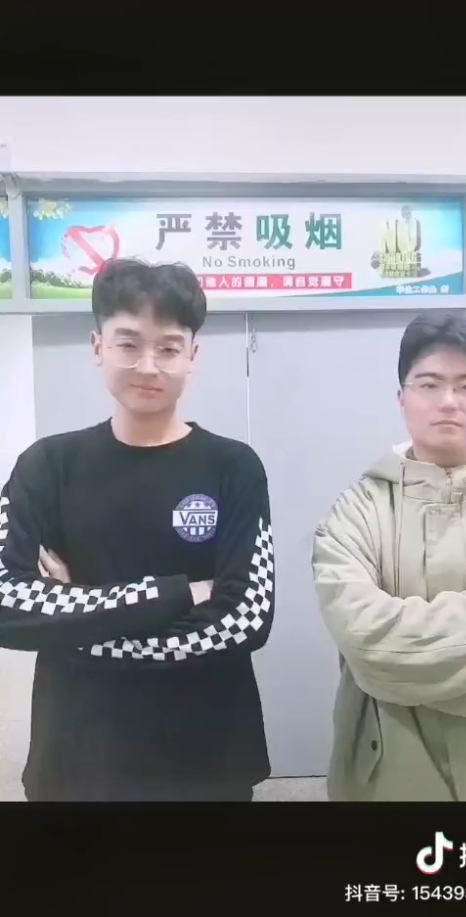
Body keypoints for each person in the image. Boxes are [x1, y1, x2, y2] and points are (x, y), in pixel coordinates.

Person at [0, 258, 274, 801]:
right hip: (78, 753)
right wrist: (177, 594)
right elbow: (8, 604)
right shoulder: (47, 466)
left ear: (192, 356)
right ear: (97, 345)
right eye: (128, 343)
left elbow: (245, 619)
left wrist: (76, 625)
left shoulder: (234, 467)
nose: (148, 365)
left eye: (168, 347)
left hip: (206, 756)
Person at [313, 312, 466, 802]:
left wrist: (418, 668)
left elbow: (394, 660)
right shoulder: (356, 511)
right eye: (430, 384)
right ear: (402, 397)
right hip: (386, 768)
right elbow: (368, 645)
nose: (449, 401)